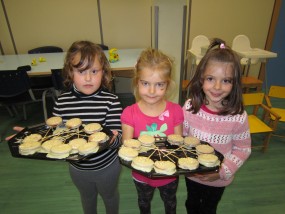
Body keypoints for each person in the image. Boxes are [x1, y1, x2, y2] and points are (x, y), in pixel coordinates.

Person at [6, 41, 123, 214]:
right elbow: (56, 134)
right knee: (87, 197)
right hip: (77, 169)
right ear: (70, 72)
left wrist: (115, 138)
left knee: (110, 196)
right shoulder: (62, 101)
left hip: (106, 167)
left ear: (104, 72)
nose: (88, 78)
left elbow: (118, 137)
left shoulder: (111, 101)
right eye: (81, 71)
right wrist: (26, 137)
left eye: (94, 71)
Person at [183, 38, 251, 214]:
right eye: (211, 78)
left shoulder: (237, 116)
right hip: (192, 175)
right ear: (201, 78)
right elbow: (181, 139)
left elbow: (243, 149)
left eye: (226, 80)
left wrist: (222, 171)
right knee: (191, 205)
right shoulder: (190, 107)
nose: (217, 87)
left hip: (218, 179)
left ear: (235, 83)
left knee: (208, 209)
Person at [121, 48, 184, 214]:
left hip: (169, 174)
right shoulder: (130, 113)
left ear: (168, 84)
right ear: (137, 82)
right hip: (142, 175)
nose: (151, 91)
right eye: (145, 83)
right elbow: (127, 149)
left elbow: (178, 146)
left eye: (159, 85)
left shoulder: (176, 111)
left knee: (170, 203)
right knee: (144, 203)